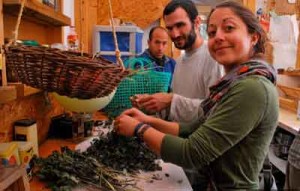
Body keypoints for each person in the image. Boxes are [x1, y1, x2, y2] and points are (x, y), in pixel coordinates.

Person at [114, 1, 279, 190]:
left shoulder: (253, 87)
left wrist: (139, 129)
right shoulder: (231, 84)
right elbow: (192, 128)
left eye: (229, 28)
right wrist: (147, 120)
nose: (218, 37)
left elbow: (193, 152)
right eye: (212, 32)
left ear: (254, 37)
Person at [132, 0, 223, 123]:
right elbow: (177, 111)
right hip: (177, 137)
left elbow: (216, 110)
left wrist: (171, 100)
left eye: (180, 25)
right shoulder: (179, 62)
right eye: (170, 28)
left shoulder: (213, 58)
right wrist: (152, 104)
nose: (174, 34)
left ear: (196, 22)